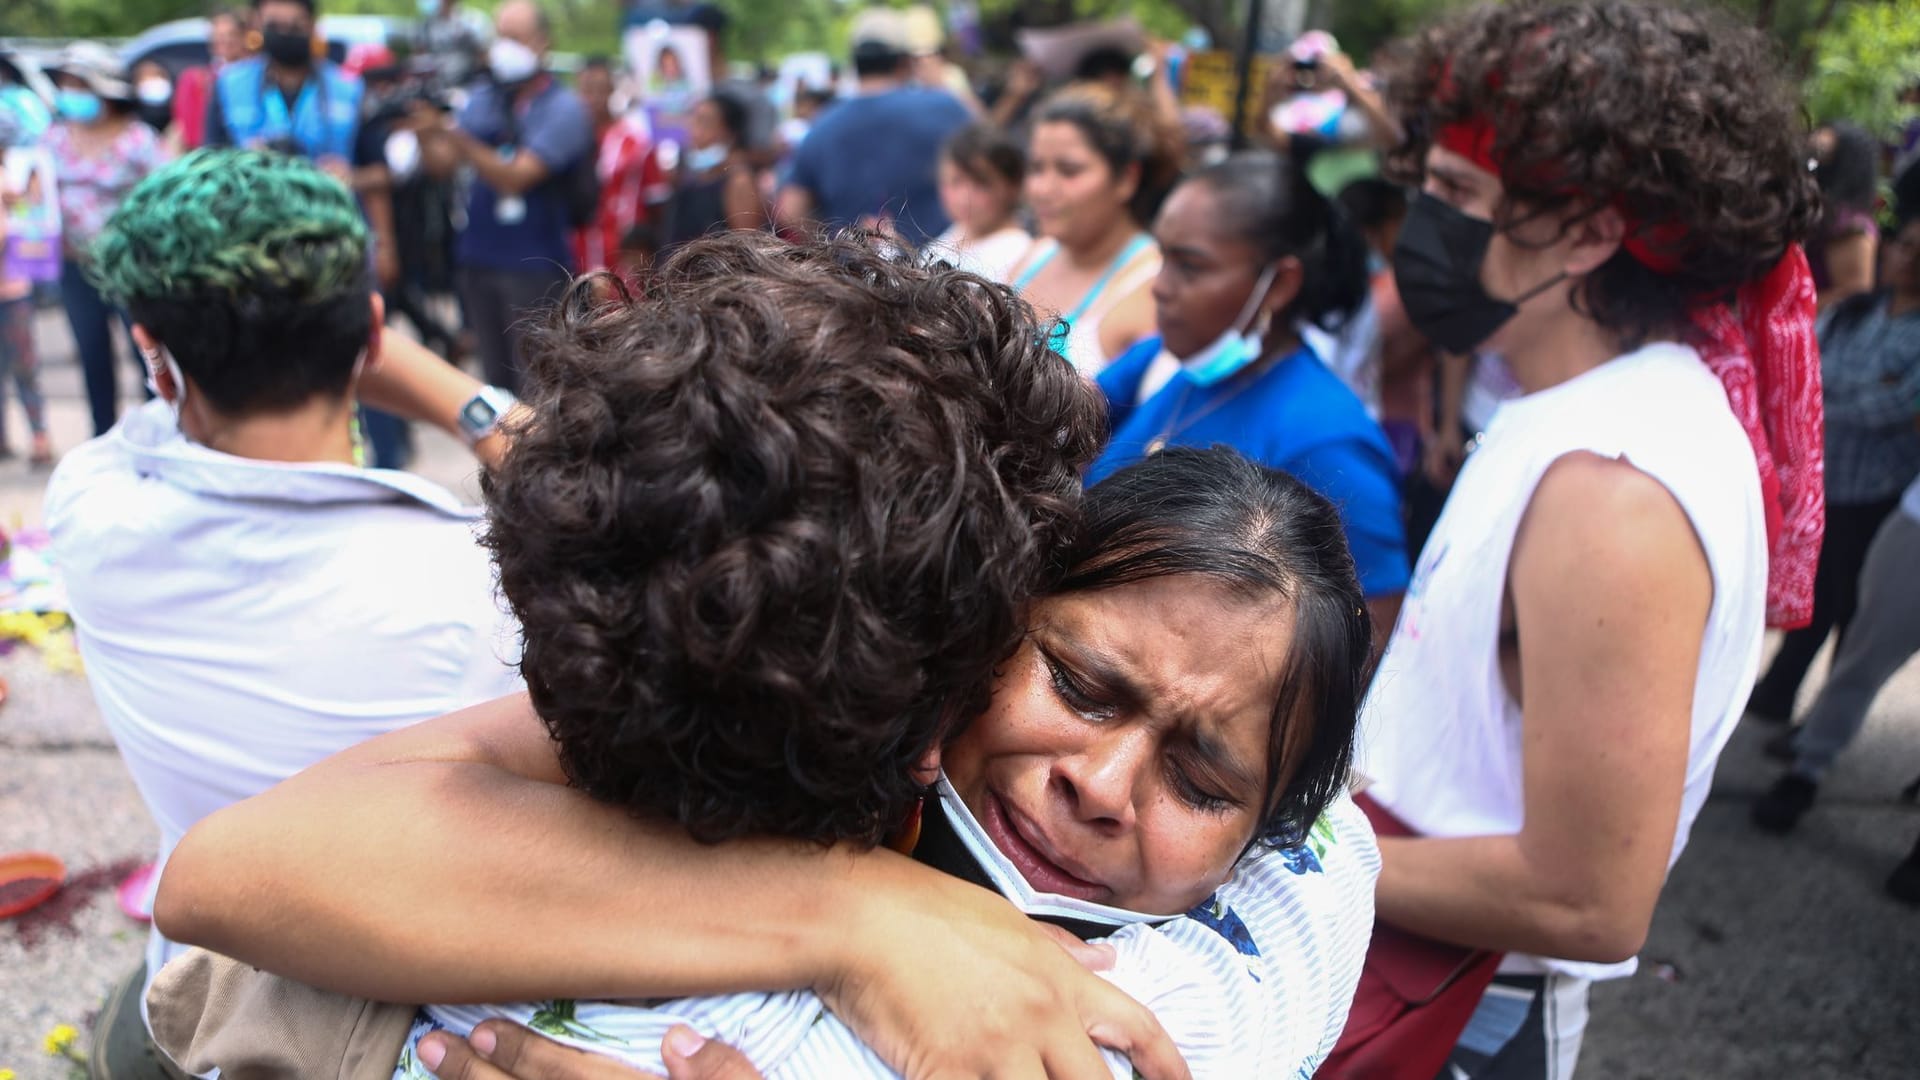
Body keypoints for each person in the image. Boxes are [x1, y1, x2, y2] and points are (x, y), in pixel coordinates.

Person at [153, 241, 1380, 1080]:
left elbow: (215, 879)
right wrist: (854, 913)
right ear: (946, 693)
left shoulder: (420, 933)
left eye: (1203, 780)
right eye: (1079, 681)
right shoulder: (1217, 956)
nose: (1102, 785)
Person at [1346, 2, 1823, 1076]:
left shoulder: (1614, 487)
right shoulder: (1569, 406)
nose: (1426, 222)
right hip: (1400, 963)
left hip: (1452, 1011)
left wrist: (1284, 857)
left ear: (1592, 230)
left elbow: (1589, 896)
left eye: (1460, 195)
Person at [47, 148, 526, 1077]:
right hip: (413, 1026)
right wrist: (451, 394)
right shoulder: (479, 588)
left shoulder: (91, 505)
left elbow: (163, 402)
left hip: (198, 995)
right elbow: (610, 501)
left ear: (154, 351)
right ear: (372, 332)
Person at [1089, 152, 1407, 646]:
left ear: (1279, 283)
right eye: (1163, 257)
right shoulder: (1167, 362)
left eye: (1191, 266)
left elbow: (1373, 627)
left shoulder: (1324, 439)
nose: (1160, 288)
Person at [1749, 214, 1920, 832]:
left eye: (1915, 251)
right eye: (1903, 244)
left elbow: (1892, 405)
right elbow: (1804, 372)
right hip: (1832, 487)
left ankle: (1807, 734)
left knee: (1853, 615)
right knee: (1819, 603)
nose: (1903, 257)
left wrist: (1838, 389)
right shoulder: (1856, 314)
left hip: (1879, 495)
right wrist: (1856, 388)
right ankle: (1793, 725)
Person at [413, 0, 592, 392]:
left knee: (536, 382)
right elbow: (441, 165)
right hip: (478, 258)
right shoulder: (485, 96)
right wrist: (425, 130)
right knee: (496, 386)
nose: (503, 48)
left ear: (542, 43)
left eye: (514, 37)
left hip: (535, 265)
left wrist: (455, 134)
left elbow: (516, 177)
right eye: (500, 37)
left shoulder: (564, 108)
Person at [1005, 84, 1175, 374]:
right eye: (1036, 168)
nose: (1042, 189)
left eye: (1069, 170)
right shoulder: (1036, 254)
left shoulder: (1151, 286)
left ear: (1126, 179)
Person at [43, 42, 167, 436]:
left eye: (79, 84)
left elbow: (163, 197)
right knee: (92, 355)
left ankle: (157, 433)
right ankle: (102, 437)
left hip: (131, 268)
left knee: (145, 352)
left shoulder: (139, 140)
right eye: (66, 84)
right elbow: (37, 194)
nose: (71, 93)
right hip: (76, 266)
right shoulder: (54, 139)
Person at [778, 10, 970, 246]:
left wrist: (834, 249)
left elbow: (790, 210)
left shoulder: (821, 126)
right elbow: (995, 150)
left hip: (855, 275)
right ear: (904, 61)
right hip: (938, 272)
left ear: (855, 61)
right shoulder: (944, 106)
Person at [573, 57, 667, 274]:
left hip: (623, 256)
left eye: (601, 89)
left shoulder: (637, 142)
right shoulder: (565, 141)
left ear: (612, 90)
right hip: (576, 255)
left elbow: (657, 202)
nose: (594, 97)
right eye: (587, 89)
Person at [659, 93, 764, 250]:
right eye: (694, 119)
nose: (695, 130)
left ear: (730, 133)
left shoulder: (739, 181)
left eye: (705, 122)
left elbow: (748, 247)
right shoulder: (690, 178)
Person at [928, 122, 1030, 282]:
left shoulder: (1017, 252)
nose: (964, 198)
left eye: (981, 183)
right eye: (955, 181)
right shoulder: (955, 232)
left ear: (1013, 186)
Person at [1807, 121, 1880, 312]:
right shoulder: (1814, 210)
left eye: (1824, 155)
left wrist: (1793, 310)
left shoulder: (1852, 226)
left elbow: (1853, 293)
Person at [172, 10, 248, 151]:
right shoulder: (196, 79)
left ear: (243, 36)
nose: (226, 40)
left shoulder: (259, 75)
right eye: (219, 36)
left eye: (231, 34)